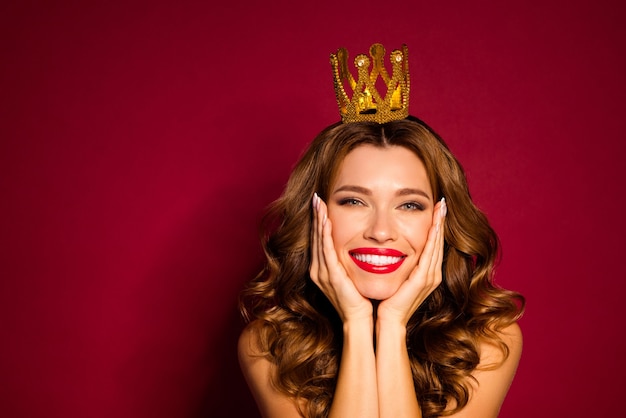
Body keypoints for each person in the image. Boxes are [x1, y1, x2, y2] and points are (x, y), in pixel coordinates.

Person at [238, 43, 524, 418]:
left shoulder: (489, 338)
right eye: (354, 201)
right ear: (316, 212)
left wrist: (391, 325)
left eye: (409, 205)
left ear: (440, 220)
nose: (381, 231)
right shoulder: (270, 344)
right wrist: (356, 322)